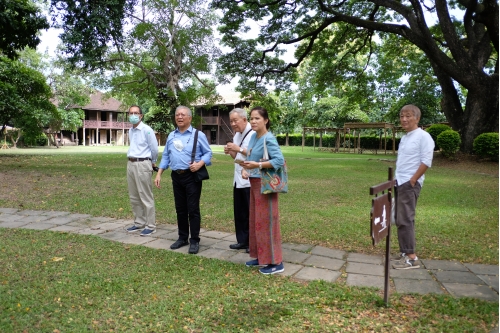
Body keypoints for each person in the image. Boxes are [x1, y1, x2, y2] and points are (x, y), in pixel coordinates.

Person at [154, 106, 212, 254]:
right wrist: (159, 173)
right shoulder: (171, 136)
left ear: (190, 118)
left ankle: (195, 240)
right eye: (177, 114)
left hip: (192, 176)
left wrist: (199, 163)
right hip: (176, 176)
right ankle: (182, 237)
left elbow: (208, 153)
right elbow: (166, 155)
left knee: (192, 209)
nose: (179, 117)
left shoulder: (198, 135)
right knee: (180, 209)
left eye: (183, 115)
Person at [240, 106, 285, 275]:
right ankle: (261, 257)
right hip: (254, 183)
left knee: (267, 223)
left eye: (257, 118)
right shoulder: (253, 137)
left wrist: (257, 165)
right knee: (256, 221)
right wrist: (246, 169)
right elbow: (251, 157)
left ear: (265, 120)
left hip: (266, 185)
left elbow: (279, 161)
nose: (253, 121)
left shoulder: (269, 138)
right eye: (251, 118)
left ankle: (276, 262)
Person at [392, 104, 434, 270]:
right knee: (400, 218)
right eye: (402, 116)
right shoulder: (405, 138)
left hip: (410, 184)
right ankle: (404, 252)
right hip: (400, 181)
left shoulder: (423, 137)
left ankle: (411, 258)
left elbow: (426, 161)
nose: (404, 119)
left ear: (417, 118)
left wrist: (413, 180)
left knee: (405, 219)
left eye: (408, 116)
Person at [224, 108, 255, 253]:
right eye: (231, 121)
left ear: (244, 119)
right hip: (238, 179)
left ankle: (252, 242)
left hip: (250, 179)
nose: (233, 124)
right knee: (240, 212)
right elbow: (236, 158)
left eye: (235, 120)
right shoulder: (237, 135)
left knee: (251, 212)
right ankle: (242, 240)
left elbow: (256, 153)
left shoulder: (254, 133)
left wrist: (239, 149)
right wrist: (231, 151)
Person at [125, 105, 159, 236]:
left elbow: (154, 148)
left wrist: (153, 161)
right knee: (134, 196)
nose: (133, 115)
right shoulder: (131, 130)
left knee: (145, 195)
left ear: (141, 115)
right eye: (131, 113)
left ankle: (150, 225)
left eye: (136, 113)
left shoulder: (147, 130)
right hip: (131, 163)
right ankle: (139, 222)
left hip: (143, 163)